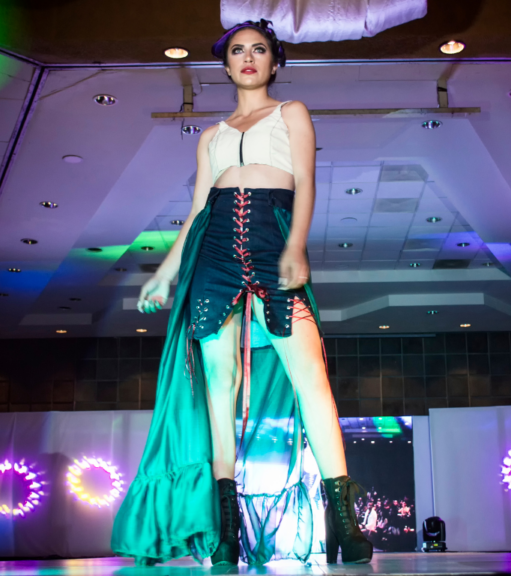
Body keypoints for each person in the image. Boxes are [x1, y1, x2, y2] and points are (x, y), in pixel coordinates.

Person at [109, 19, 373, 567]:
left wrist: (297, 245)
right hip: (215, 255)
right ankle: (226, 530)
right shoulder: (211, 136)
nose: (248, 58)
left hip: (273, 242)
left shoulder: (292, 112)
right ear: (225, 65)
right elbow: (199, 210)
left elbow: (306, 179)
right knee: (219, 392)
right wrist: (164, 272)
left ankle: (344, 525)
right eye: (237, 51)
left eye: (258, 50)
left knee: (312, 381)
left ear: (275, 62)